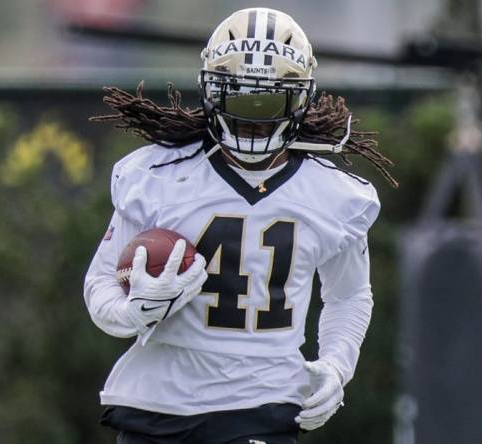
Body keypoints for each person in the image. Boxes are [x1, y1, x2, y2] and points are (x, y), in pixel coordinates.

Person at [84, 7, 395, 444]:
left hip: (261, 406)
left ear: (300, 99)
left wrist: (336, 366)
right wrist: (132, 311)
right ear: (210, 92)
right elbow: (101, 283)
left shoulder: (334, 196)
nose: (252, 119)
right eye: (238, 98)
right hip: (157, 403)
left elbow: (349, 295)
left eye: (267, 102)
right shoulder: (158, 176)